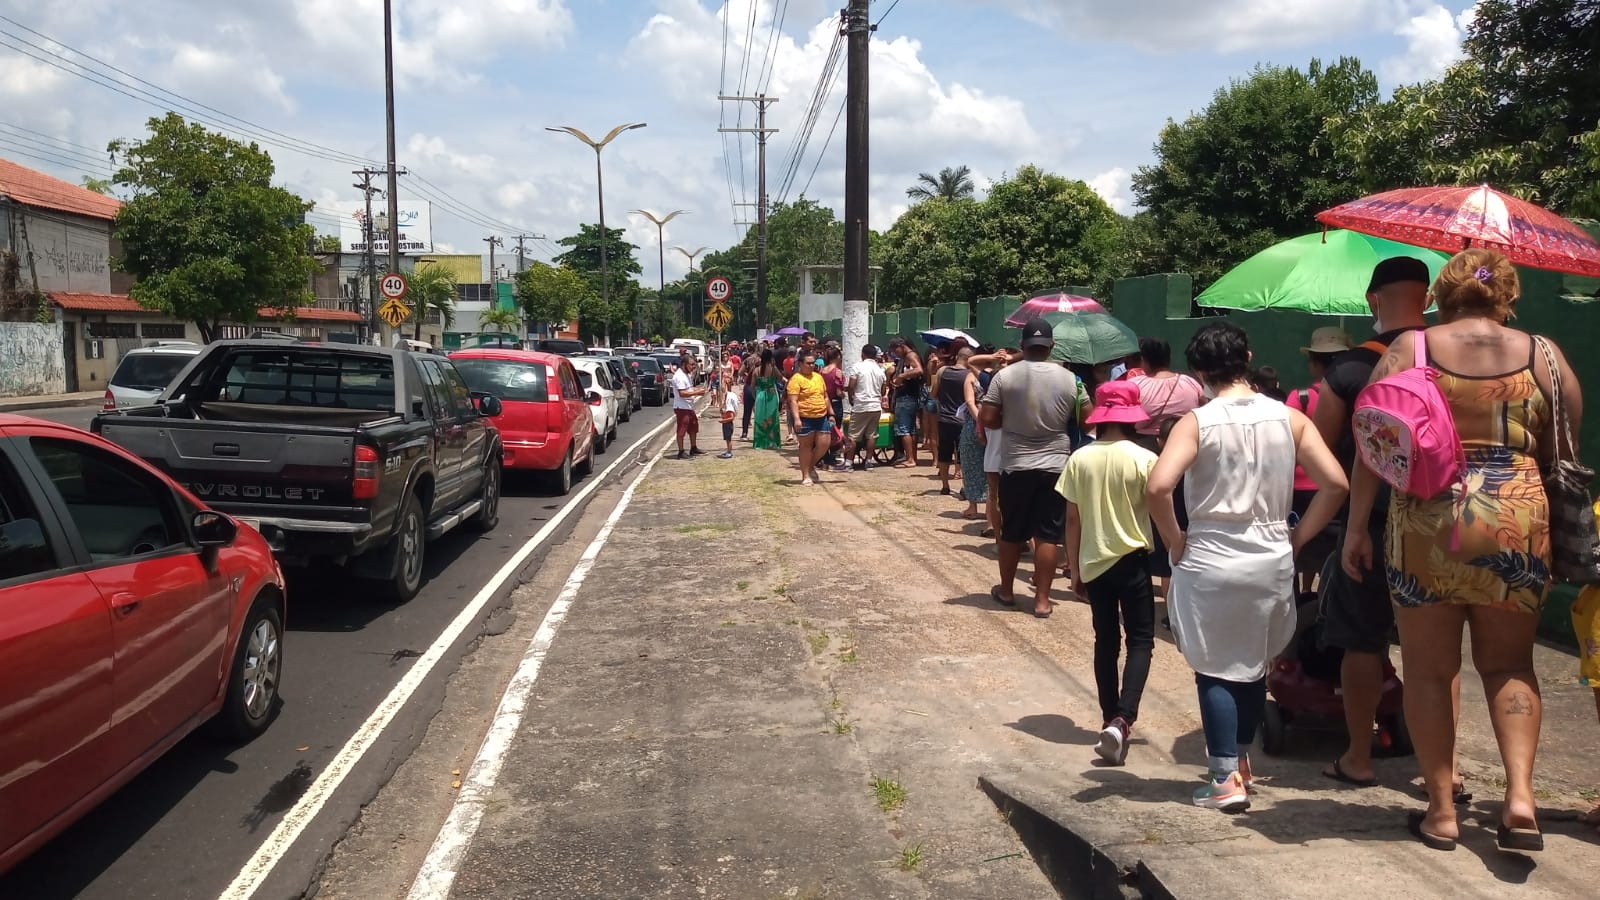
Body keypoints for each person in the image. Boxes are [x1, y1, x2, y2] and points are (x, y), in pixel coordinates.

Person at [1342, 248, 1580, 851]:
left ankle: (1442, 810)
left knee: (1430, 669)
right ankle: (1520, 799)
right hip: (1517, 518)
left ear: (1439, 297)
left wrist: (1354, 530)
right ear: (1508, 297)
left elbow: (1373, 440)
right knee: (1509, 666)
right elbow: (1563, 450)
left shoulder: (1409, 349)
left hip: (1429, 517)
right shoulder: (1546, 356)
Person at [1148, 322, 1347, 812]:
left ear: (1199, 371)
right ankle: (1239, 762)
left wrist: (1175, 541)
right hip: (1271, 555)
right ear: (1248, 356)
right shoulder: (1290, 419)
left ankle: (1223, 779)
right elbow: (1336, 484)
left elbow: (1158, 487)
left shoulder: (1197, 422)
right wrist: (1297, 537)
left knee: (1214, 668)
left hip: (1211, 556)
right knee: (1253, 665)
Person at [1311, 258, 1447, 796]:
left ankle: (1359, 756)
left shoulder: (1349, 368)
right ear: (1428, 298)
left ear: (1373, 300)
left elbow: (1319, 448)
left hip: (1368, 520)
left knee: (1362, 640)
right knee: (1435, 655)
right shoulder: (1451, 358)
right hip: (1440, 521)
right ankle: (1447, 770)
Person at [1057, 381, 1160, 765]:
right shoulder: (1144, 458)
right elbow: (1158, 505)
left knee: (1106, 640)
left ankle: (1108, 717)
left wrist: (1074, 570)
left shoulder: (1080, 458)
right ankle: (1123, 718)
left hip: (1094, 562)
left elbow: (1072, 518)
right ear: (1131, 418)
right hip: (1132, 559)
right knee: (1141, 640)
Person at [979, 319, 1088, 618]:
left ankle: (1007, 591)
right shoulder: (1071, 379)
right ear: (1052, 345)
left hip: (1016, 464)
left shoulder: (1005, 376)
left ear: (1023, 345)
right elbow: (1088, 419)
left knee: (1013, 532)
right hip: (1055, 464)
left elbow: (987, 418)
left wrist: (1011, 423)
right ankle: (1042, 600)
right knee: (1048, 535)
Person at [786, 350, 833, 486]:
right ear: (801, 364)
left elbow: (825, 396)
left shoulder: (818, 377)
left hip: (821, 416)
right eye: (808, 363)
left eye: (813, 363)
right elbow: (793, 401)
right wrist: (796, 419)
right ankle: (805, 474)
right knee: (805, 447)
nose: (811, 366)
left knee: (824, 444)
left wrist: (831, 414)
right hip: (805, 417)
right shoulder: (796, 379)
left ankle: (810, 465)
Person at [957, 348, 989, 520]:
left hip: (973, 424)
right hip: (995, 424)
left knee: (970, 465)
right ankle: (991, 509)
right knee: (990, 467)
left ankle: (972, 506)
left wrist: (979, 421)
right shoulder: (998, 374)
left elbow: (970, 402)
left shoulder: (971, 377)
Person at [847, 343, 887, 468]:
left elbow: (851, 386)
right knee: (872, 435)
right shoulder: (879, 370)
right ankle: (869, 461)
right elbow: (883, 390)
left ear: (862, 354)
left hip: (861, 405)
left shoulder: (857, 367)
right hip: (875, 406)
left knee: (853, 436)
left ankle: (848, 463)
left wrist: (851, 399)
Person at [935, 348, 969, 495]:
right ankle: (964, 485)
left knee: (944, 451)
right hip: (963, 420)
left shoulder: (942, 371)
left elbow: (933, 393)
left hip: (944, 418)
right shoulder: (969, 375)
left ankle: (945, 486)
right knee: (964, 453)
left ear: (957, 357)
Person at [888, 337, 926, 468]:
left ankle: (910, 458)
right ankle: (912, 457)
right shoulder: (907, 357)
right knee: (911, 429)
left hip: (906, 396)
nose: (895, 353)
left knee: (904, 429)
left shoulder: (910, 356)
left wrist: (901, 376)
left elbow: (919, 370)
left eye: (895, 350)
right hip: (908, 396)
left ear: (902, 346)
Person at [671, 356, 708, 460]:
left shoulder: (686, 375)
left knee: (693, 427)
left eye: (694, 365)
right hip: (681, 407)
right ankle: (681, 451)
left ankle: (693, 447)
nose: (693, 367)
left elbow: (689, 389)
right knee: (682, 429)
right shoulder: (679, 376)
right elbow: (682, 393)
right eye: (691, 364)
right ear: (684, 364)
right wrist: (697, 392)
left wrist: (697, 389)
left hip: (688, 406)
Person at [820, 345, 848, 471]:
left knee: (825, 431)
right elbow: (838, 392)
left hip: (824, 403)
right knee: (835, 432)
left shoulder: (822, 371)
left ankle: (824, 457)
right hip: (835, 403)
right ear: (837, 357)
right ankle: (832, 458)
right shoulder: (837, 372)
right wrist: (844, 393)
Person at [752, 349, 784, 451]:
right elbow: (780, 378)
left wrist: (755, 397)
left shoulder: (756, 370)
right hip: (772, 395)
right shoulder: (773, 368)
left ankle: (760, 442)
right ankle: (773, 441)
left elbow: (752, 386)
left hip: (760, 394)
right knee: (773, 418)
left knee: (760, 418)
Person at [718, 379, 740, 459]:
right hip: (726, 423)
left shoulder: (730, 407)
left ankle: (729, 452)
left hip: (727, 424)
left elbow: (731, 417)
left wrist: (723, 421)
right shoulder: (727, 400)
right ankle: (728, 450)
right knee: (727, 439)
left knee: (728, 439)